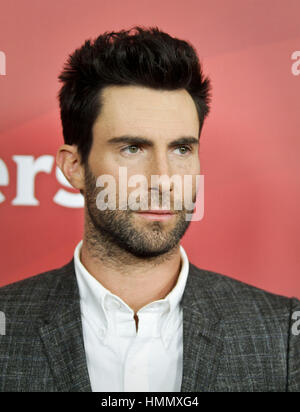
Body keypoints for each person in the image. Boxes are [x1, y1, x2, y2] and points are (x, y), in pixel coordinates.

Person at [0, 25, 299, 392]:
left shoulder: (284, 335)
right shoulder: (7, 326)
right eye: (132, 149)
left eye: (181, 149)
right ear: (73, 167)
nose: (163, 179)